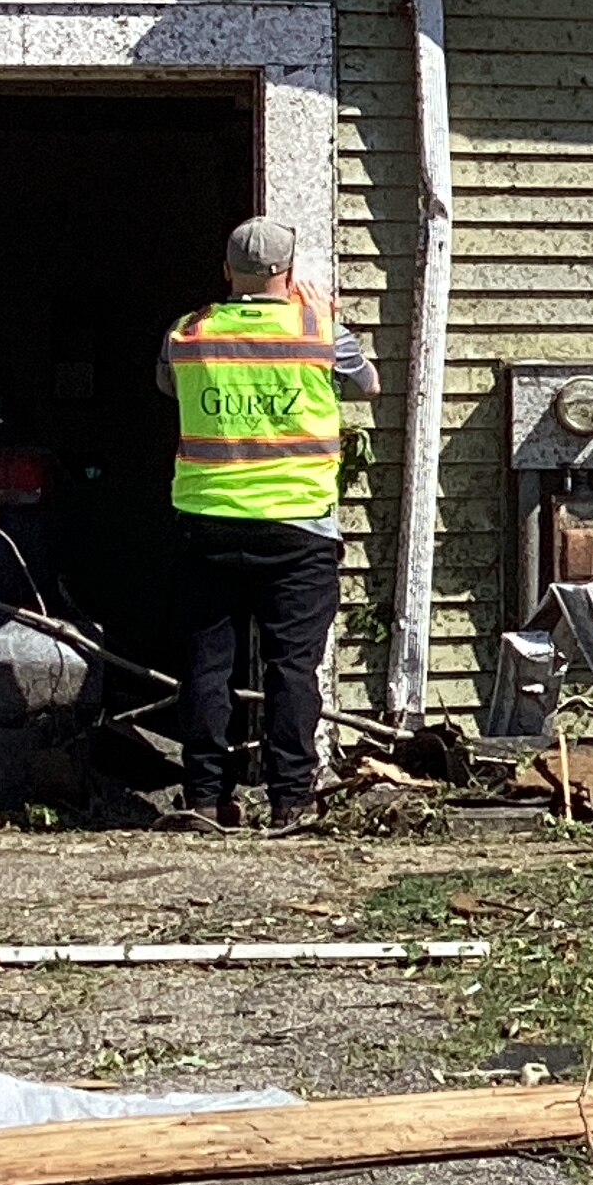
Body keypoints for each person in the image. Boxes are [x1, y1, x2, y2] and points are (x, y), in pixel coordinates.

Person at [156, 218, 379, 831]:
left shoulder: (188, 332)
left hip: (209, 524)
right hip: (298, 528)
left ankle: (203, 799)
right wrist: (331, 321)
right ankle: (290, 800)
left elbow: (167, 387)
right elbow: (368, 384)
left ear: (227, 271)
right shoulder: (321, 331)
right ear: (289, 271)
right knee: (291, 668)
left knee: (207, 667)